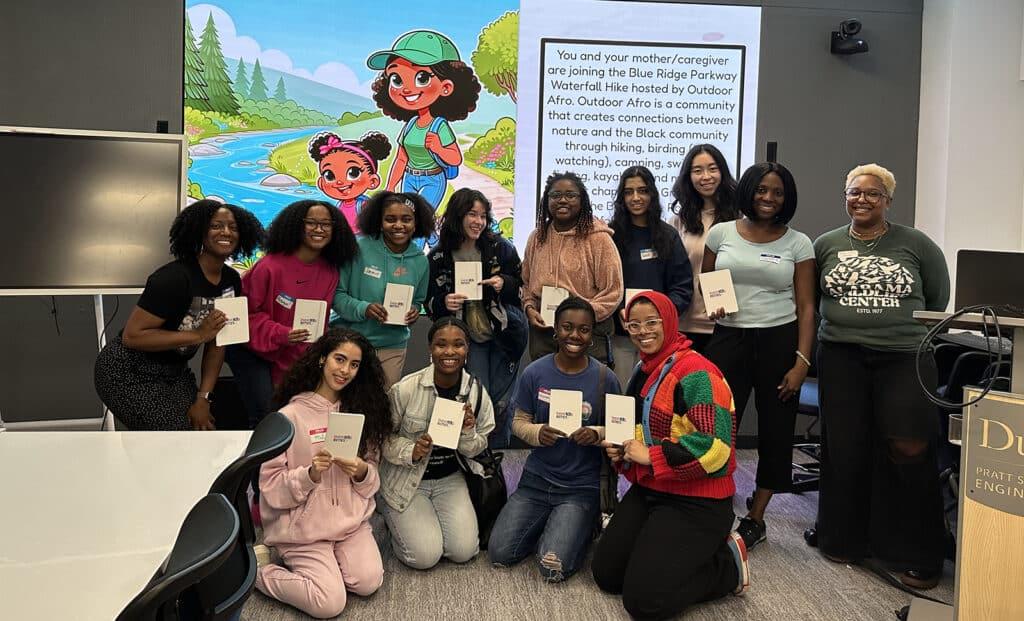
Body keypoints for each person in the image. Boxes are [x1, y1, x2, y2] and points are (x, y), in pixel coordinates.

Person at [814, 163, 949, 589]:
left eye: (873, 194)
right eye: (855, 192)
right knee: (846, 448)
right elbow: (813, 296)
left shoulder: (916, 243)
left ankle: (918, 552)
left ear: (888, 200)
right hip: (840, 356)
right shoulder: (827, 244)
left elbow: (938, 294)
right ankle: (846, 538)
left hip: (904, 357)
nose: (862, 200)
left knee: (909, 448)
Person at [592, 291, 748, 619]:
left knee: (644, 602)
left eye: (652, 322)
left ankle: (728, 565)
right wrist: (622, 445)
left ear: (670, 321)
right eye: (634, 324)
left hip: (699, 500)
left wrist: (650, 456)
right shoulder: (644, 368)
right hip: (654, 488)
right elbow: (647, 427)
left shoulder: (698, 373)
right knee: (607, 575)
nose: (642, 331)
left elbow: (715, 449)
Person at [700, 161, 815, 550]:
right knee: (716, 422)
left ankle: (756, 515)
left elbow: (807, 306)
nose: (768, 198)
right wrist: (714, 302)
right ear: (749, 191)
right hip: (728, 337)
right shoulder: (721, 233)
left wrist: (802, 362)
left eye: (777, 192)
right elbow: (710, 280)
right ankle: (713, 499)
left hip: (779, 341)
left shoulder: (798, 242)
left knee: (777, 427)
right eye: (762, 190)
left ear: (787, 198)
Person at [255, 329, 393, 618]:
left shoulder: (360, 411)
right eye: (339, 359)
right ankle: (253, 571)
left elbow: (371, 482)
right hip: (304, 531)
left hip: (349, 523)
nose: (345, 371)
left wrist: (362, 471)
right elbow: (269, 486)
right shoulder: (288, 417)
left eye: (354, 365)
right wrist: (309, 475)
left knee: (369, 582)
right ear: (322, 359)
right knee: (329, 604)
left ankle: (328, 565)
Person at [94, 199, 263, 430]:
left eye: (233, 227)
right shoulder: (173, 278)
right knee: (173, 434)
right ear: (199, 232)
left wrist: (204, 398)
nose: (226, 232)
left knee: (201, 427)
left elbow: (218, 342)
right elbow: (132, 337)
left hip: (174, 371)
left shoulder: (231, 280)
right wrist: (197, 335)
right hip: (126, 371)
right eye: (216, 226)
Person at [489, 297, 621, 583]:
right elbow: (518, 421)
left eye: (584, 330)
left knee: (552, 568)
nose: (575, 335)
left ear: (592, 335)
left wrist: (596, 434)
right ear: (555, 330)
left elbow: (620, 432)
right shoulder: (535, 372)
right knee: (500, 553)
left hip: (580, 486)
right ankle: (557, 524)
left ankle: (581, 523)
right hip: (536, 481)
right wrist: (538, 433)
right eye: (567, 327)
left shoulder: (605, 378)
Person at [377, 317, 495, 570]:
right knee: (424, 557)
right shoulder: (407, 389)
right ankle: (390, 513)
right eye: (441, 344)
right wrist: (412, 450)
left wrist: (467, 431)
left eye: (458, 345)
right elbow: (382, 440)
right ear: (430, 348)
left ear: (467, 349)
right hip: (407, 480)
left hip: (450, 479)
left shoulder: (476, 392)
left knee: (464, 551)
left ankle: (425, 523)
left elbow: (478, 447)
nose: (450, 352)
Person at [228, 200, 358, 426]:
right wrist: (282, 334)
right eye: (312, 223)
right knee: (267, 417)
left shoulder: (330, 272)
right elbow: (244, 316)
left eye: (326, 224)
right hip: (254, 352)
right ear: (297, 226)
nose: (319, 229)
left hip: (296, 353)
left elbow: (317, 323)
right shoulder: (269, 266)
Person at [425, 188, 527, 447]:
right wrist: (443, 302)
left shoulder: (501, 248)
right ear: (458, 215)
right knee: (478, 400)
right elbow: (428, 300)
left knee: (503, 400)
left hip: (504, 334)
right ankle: (475, 454)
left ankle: (498, 457)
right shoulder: (438, 255)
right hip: (469, 340)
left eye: (483, 216)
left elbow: (522, 285)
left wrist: (503, 283)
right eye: (472, 214)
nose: (478, 221)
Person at [367, 29, 481, 214]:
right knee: (408, 222)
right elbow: (402, 158)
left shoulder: (439, 126)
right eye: (396, 79)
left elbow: (456, 158)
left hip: (433, 180)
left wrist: (439, 148)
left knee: (419, 222)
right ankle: (435, 238)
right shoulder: (410, 124)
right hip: (410, 178)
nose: (406, 89)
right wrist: (390, 186)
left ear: (446, 87)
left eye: (421, 78)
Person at [331, 191, 435, 387]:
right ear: (379, 221)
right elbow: (337, 296)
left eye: (406, 219)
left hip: (393, 345)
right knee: (346, 407)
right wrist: (364, 308)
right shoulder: (358, 248)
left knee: (381, 406)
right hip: (350, 343)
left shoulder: (420, 260)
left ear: (416, 223)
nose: (398, 225)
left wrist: (413, 311)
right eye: (390, 219)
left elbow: (418, 300)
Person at [521, 172, 624, 364]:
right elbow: (526, 284)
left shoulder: (599, 239)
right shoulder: (537, 237)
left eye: (570, 195)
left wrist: (581, 318)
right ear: (546, 200)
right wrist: (529, 308)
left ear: (582, 200)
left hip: (586, 334)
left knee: (586, 391)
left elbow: (613, 292)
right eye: (555, 195)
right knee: (545, 391)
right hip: (544, 332)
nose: (562, 200)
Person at [609, 165, 692, 389]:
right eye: (629, 192)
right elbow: (602, 285)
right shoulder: (610, 236)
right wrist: (617, 310)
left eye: (643, 191)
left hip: (660, 336)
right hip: (622, 334)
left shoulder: (668, 236)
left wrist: (660, 315)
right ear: (622, 197)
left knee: (659, 396)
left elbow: (682, 287)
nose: (636, 197)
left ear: (652, 195)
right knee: (624, 395)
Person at [669, 144, 738, 351]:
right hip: (685, 325)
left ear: (722, 172)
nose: (705, 176)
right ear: (688, 177)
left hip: (728, 323)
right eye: (697, 170)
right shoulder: (677, 222)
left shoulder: (740, 218)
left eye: (712, 168)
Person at [308, 132, 392, 235]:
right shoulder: (339, 205)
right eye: (329, 176)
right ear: (321, 183)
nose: (339, 182)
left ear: (373, 181)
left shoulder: (364, 205)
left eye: (353, 173)